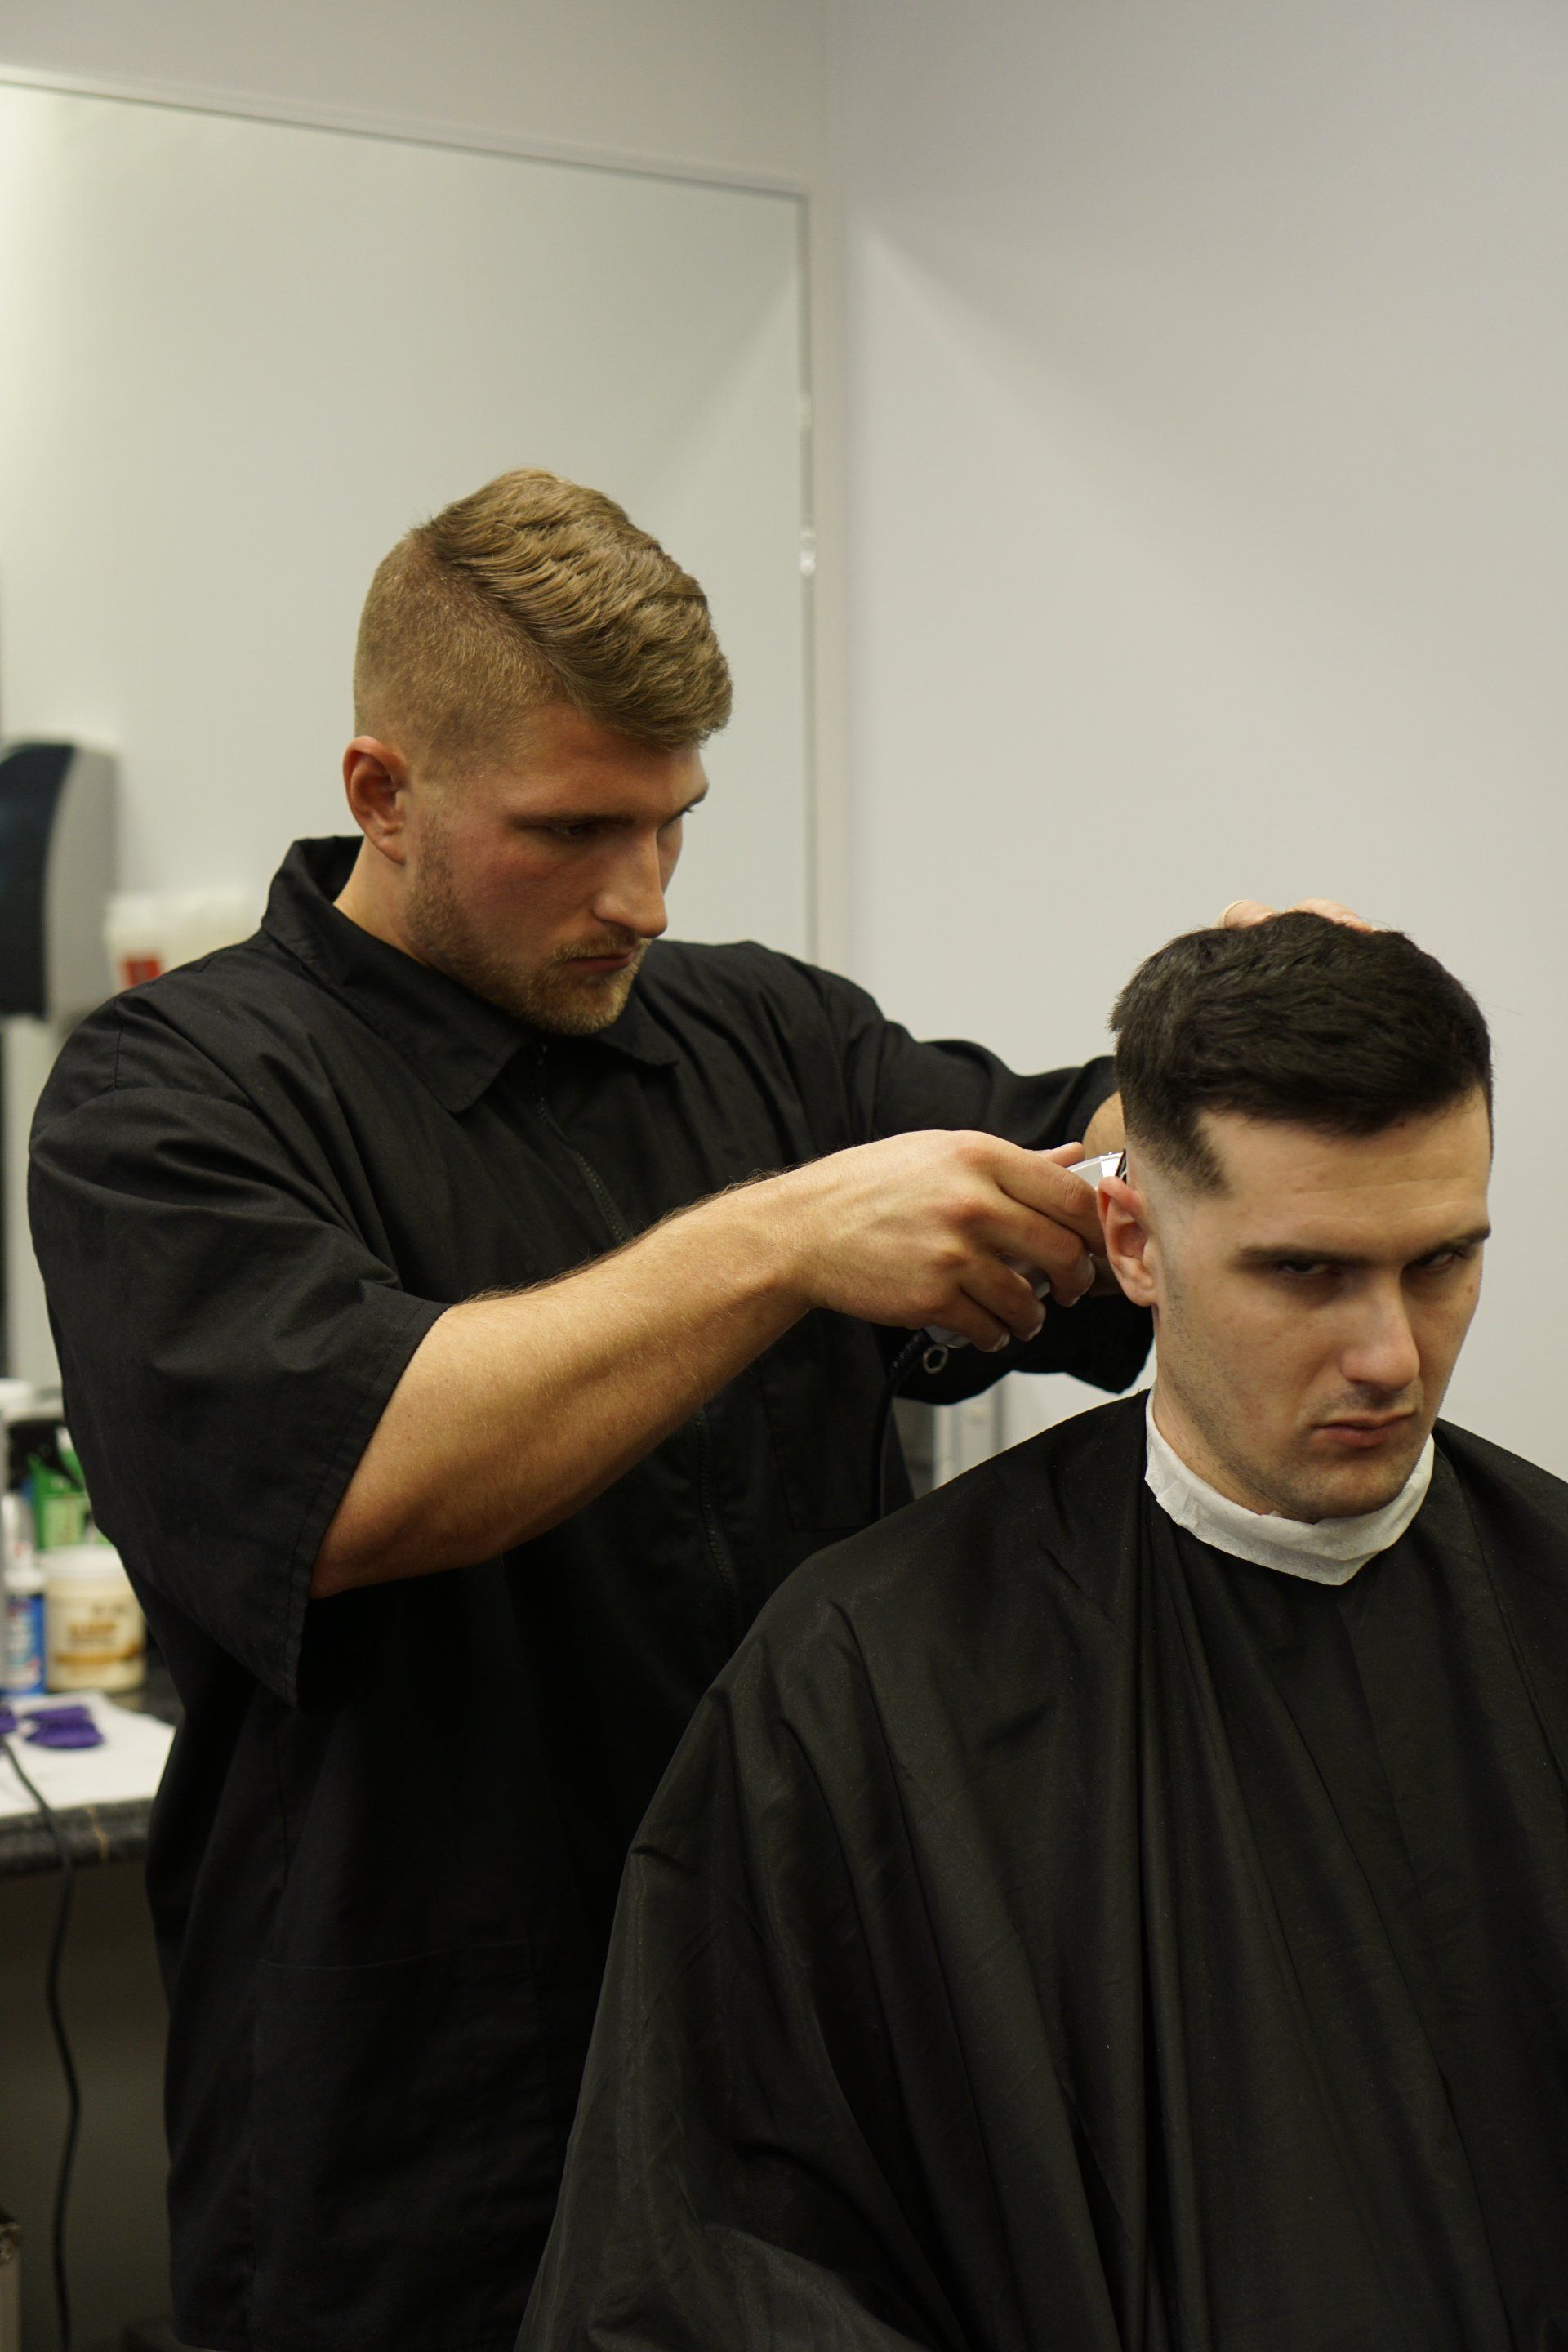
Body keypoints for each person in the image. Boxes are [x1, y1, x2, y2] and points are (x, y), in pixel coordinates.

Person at [26, 469, 1167, 2352]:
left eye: (671, 823)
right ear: (382, 790)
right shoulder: (174, 1097)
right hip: (419, 2141)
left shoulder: (769, 1040)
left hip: (786, 2089)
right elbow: (366, 1476)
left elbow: (1079, 1181)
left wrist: (1204, 1088)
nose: (639, 894)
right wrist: (784, 1242)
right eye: (571, 831)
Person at [519, 912, 1568, 2352]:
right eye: (1305, 1273)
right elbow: (708, 2269)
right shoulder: (872, 1680)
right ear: (1134, 1242)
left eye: (1441, 1261)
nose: (1392, 1355)